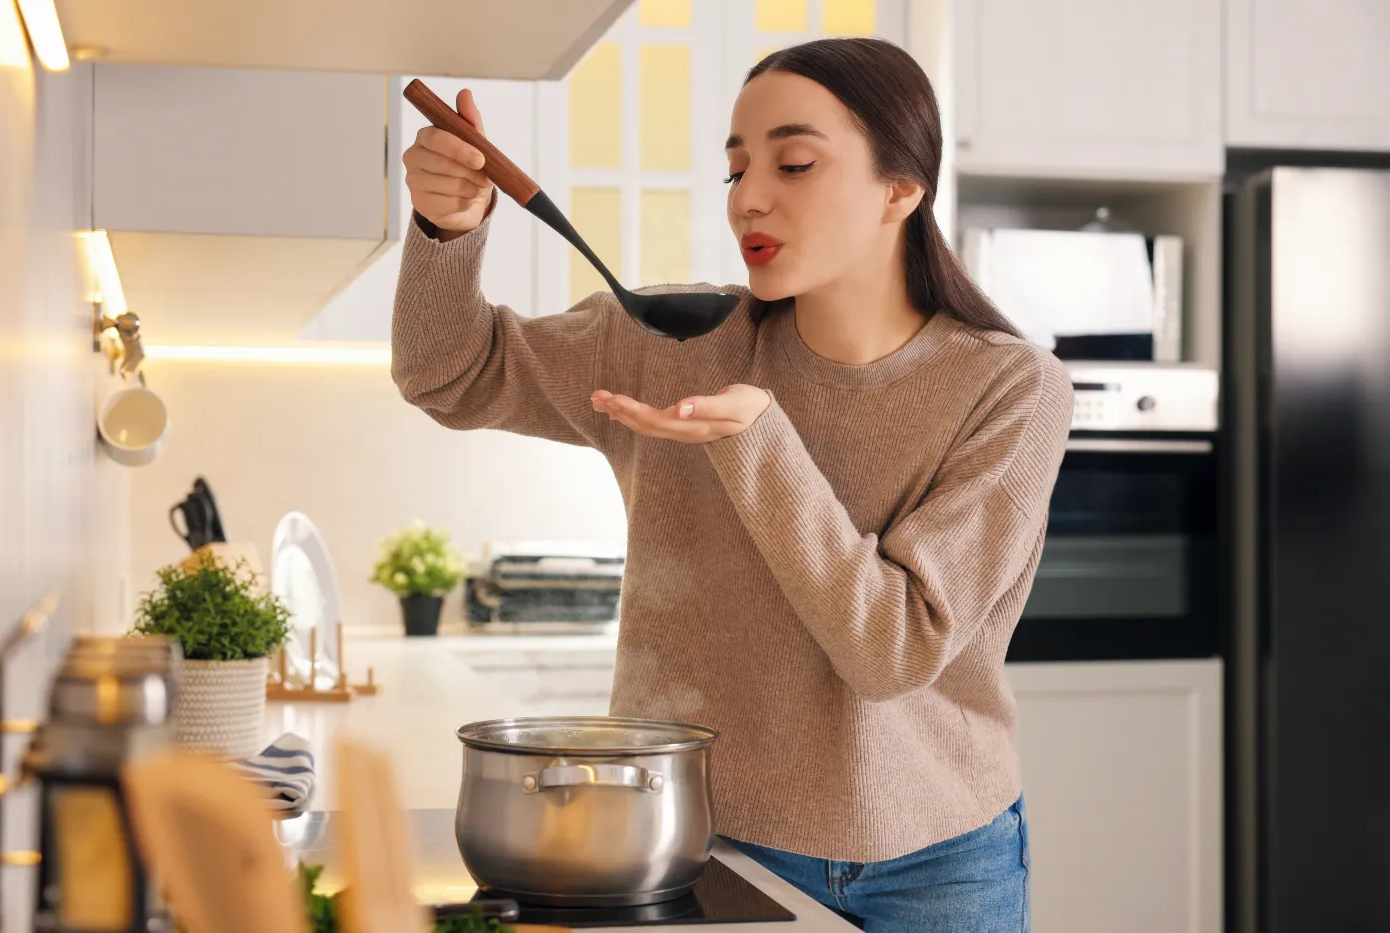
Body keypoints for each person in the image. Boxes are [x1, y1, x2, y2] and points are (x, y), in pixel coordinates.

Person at [395, 36, 1071, 933]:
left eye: (794, 163)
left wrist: (757, 440)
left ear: (902, 188)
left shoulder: (1010, 387)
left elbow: (891, 650)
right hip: (702, 843)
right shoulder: (674, 339)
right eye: (736, 168)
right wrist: (448, 230)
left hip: (940, 864)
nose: (750, 197)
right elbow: (449, 371)